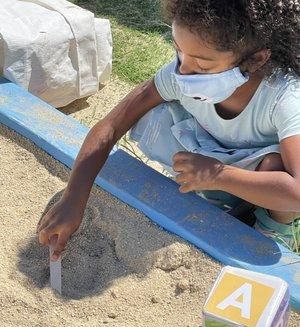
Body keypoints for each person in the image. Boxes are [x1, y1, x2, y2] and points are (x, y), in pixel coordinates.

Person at [38, 0, 300, 259]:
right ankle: (219, 200)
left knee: (275, 167)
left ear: (255, 60)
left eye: (202, 66)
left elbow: (298, 192)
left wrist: (217, 175)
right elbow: (111, 125)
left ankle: (274, 227)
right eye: (178, 52)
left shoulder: (285, 98)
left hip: (258, 178)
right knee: (151, 109)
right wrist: (73, 198)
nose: (183, 72)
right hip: (207, 163)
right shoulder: (177, 75)